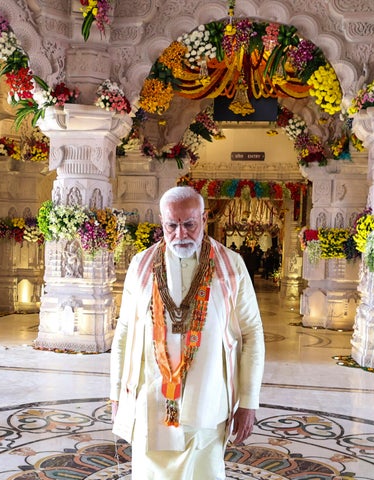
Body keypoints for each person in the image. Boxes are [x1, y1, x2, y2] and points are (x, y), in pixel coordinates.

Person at [110, 186, 265, 480]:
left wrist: (248, 402)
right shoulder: (140, 265)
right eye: (172, 225)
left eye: (189, 224)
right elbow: (124, 332)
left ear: (204, 218)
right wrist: (116, 396)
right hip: (152, 403)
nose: (181, 234)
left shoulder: (231, 266)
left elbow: (252, 333)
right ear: (161, 222)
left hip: (209, 403)